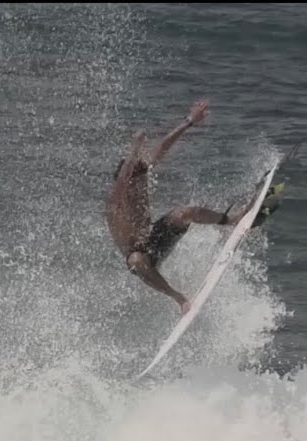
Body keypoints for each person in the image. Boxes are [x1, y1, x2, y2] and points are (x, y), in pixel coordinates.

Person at [105, 100, 260, 314]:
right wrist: (134, 147)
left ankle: (230, 220)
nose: (140, 177)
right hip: (141, 256)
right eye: (134, 174)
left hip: (154, 239)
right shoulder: (116, 198)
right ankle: (179, 299)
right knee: (135, 260)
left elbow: (161, 149)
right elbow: (124, 177)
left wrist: (189, 122)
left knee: (186, 213)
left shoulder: (138, 175)